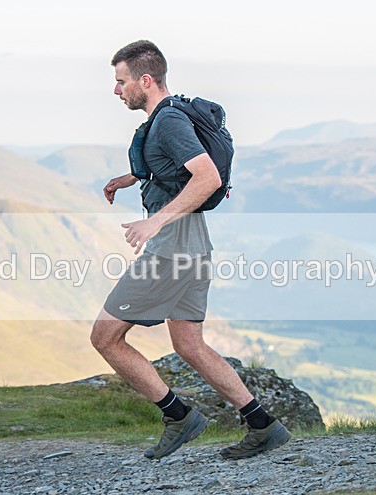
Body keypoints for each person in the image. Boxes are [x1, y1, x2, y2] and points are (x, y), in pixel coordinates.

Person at [90, 40, 291, 460]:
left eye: (120, 81)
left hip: (171, 248)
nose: (116, 91)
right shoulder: (167, 118)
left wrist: (154, 220)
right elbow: (177, 167)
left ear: (145, 80)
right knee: (189, 345)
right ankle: (263, 425)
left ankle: (179, 416)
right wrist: (133, 177)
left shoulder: (167, 122)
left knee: (106, 337)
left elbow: (208, 178)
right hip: (194, 245)